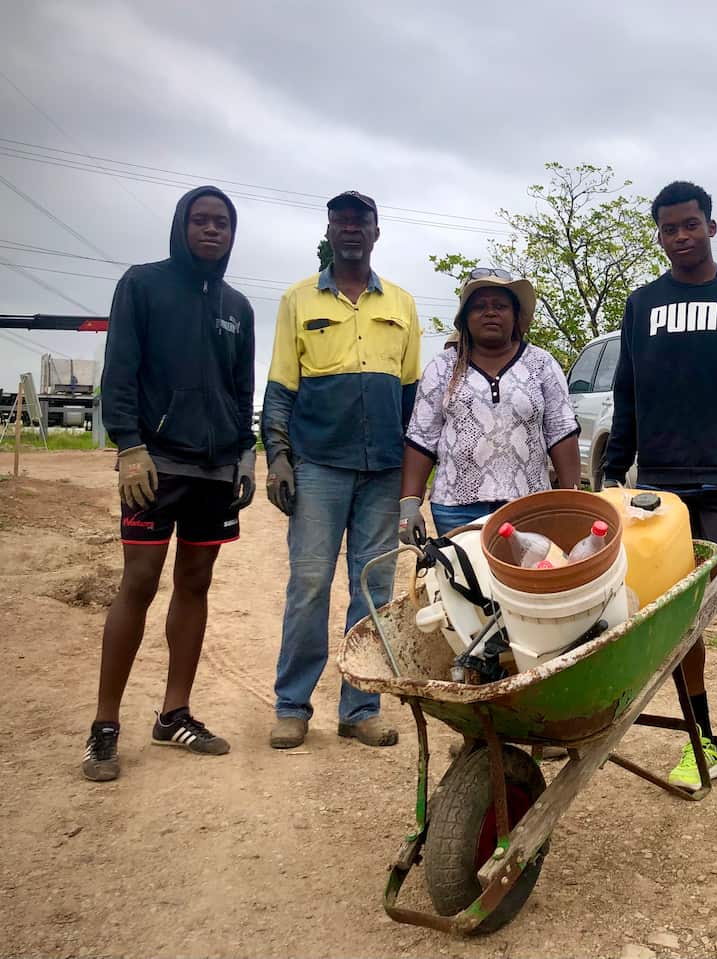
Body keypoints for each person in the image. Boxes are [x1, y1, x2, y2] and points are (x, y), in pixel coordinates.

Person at [603, 180, 717, 790]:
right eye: (668, 228)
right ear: (658, 234)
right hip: (662, 484)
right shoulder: (642, 306)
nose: (680, 237)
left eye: (690, 224)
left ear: (711, 225)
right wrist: (614, 472)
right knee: (681, 614)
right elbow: (627, 391)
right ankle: (699, 735)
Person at [83, 186, 256, 782]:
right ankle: (104, 726)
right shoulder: (142, 285)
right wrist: (128, 445)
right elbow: (119, 372)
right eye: (201, 220)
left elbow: (240, 390)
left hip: (213, 470)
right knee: (139, 580)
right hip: (153, 466)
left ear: (233, 235)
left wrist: (245, 455)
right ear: (181, 225)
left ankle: (174, 714)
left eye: (223, 224)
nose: (212, 231)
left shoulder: (239, 306)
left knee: (196, 582)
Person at [261, 190, 421, 750]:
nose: (351, 229)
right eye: (341, 221)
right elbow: (280, 387)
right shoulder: (298, 300)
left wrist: (411, 481)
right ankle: (292, 706)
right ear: (329, 232)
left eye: (361, 221)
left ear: (377, 232)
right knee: (308, 585)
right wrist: (277, 456)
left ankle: (360, 709)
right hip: (318, 467)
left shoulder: (401, 304)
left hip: (381, 470)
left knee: (373, 589)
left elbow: (411, 401)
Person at [399, 269, 581, 541]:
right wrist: (409, 503)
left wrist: (573, 502)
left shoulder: (541, 364)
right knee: (463, 582)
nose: (490, 312)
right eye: (479, 307)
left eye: (500, 306)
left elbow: (561, 433)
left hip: (529, 506)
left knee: (522, 582)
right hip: (455, 509)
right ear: (465, 318)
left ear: (516, 315)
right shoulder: (443, 366)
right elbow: (422, 439)